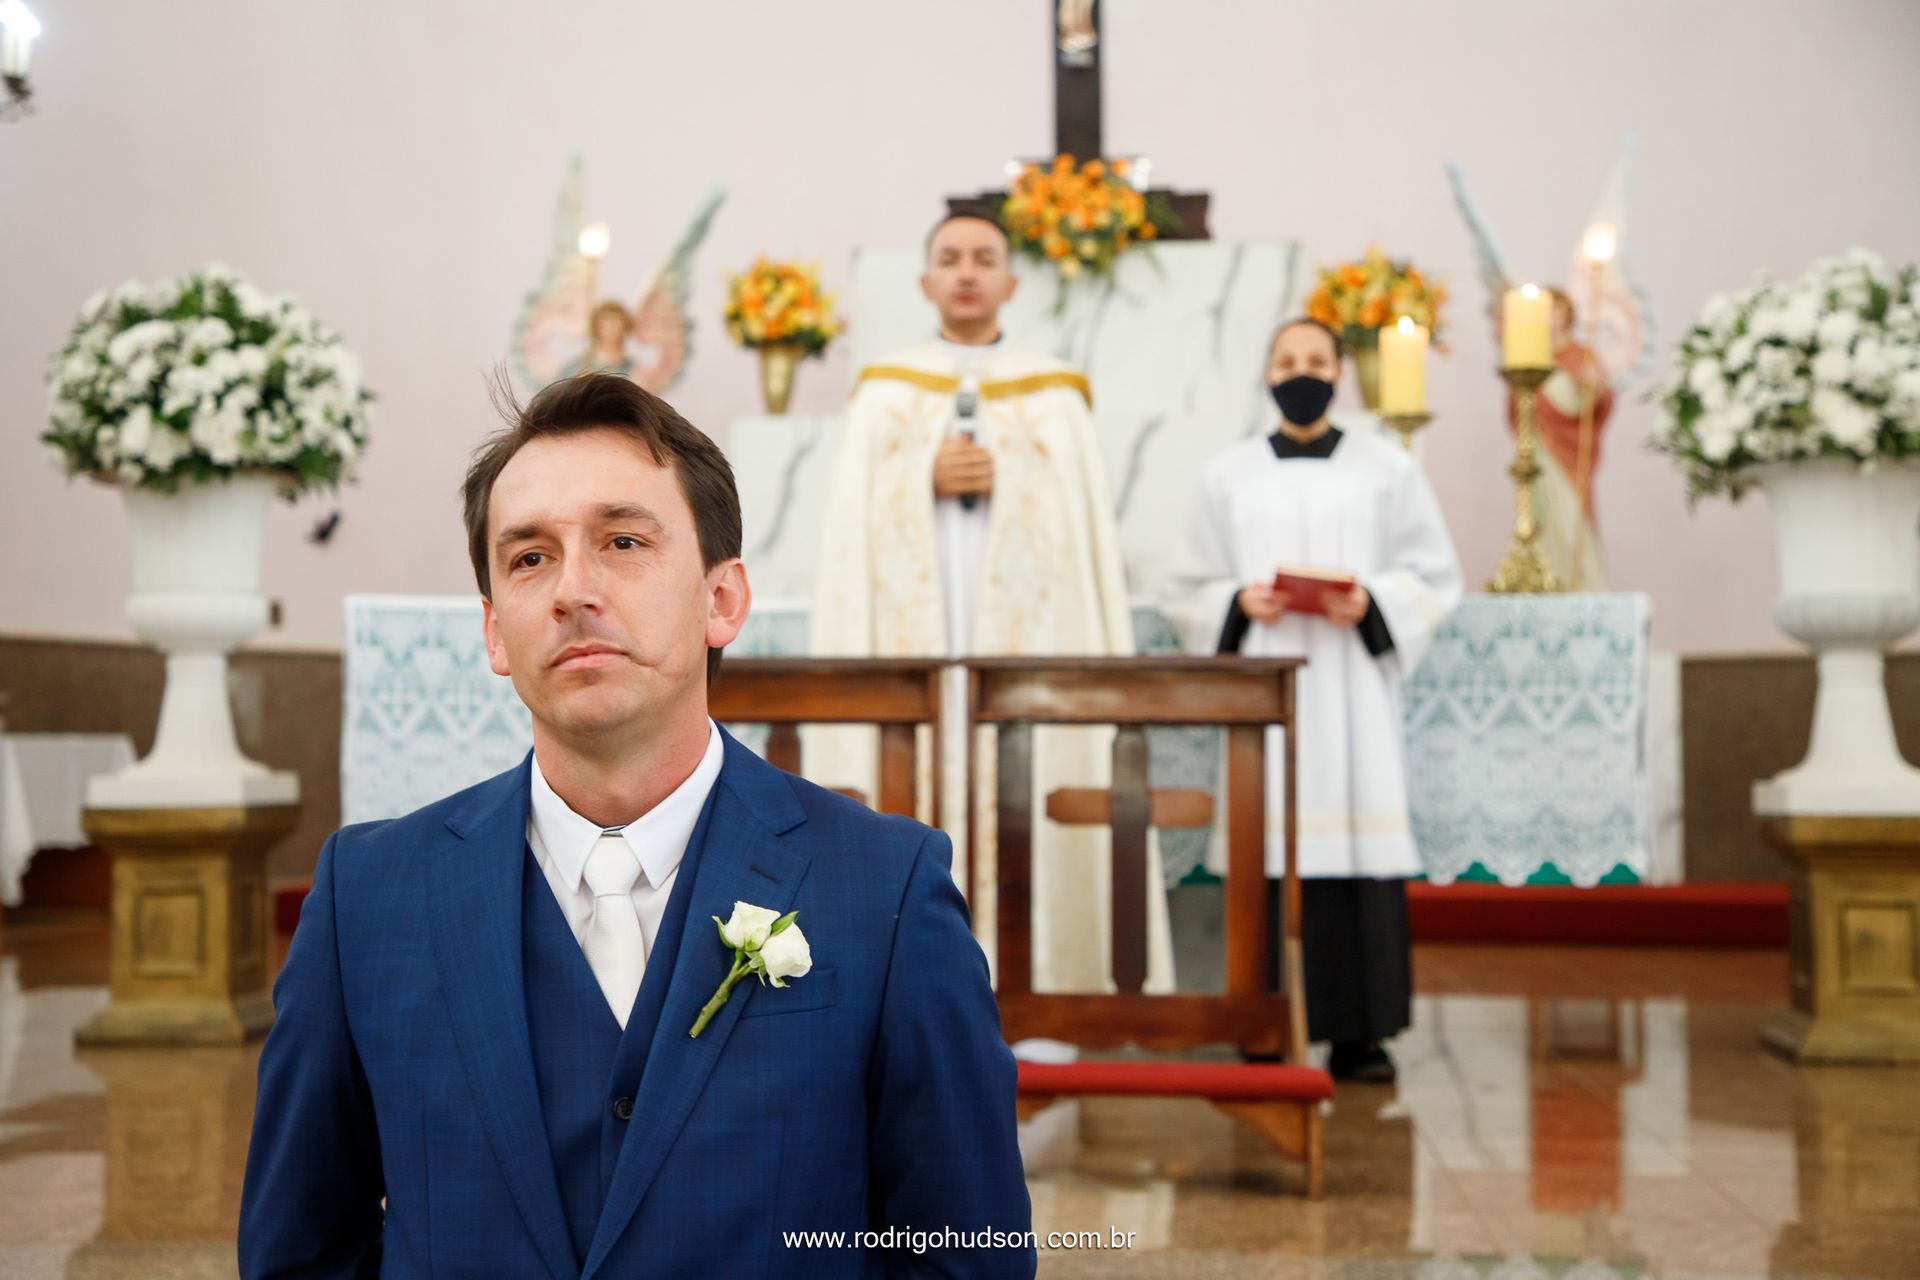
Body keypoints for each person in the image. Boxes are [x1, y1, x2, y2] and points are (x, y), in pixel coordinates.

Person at [240, 373, 1035, 1278]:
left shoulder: (885, 888)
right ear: (496, 633)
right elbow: (299, 1250)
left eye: (623, 541)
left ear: (722, 600)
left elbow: (968, 1255)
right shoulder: (368, 899)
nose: (574, 589)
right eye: (530, 557)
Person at [808, 211, 1174, 1002]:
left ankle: (1041, 992)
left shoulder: (1056, 395)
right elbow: (848, 537)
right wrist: (919, 481)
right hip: (917, 665)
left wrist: (1010, 482)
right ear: (925, 282)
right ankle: (899, 1000)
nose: (966, 271)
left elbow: (1079, 544)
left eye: (983, 258)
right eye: (949, 257)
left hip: (1024, 663)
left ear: (1010, 282)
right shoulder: (882, 392)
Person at [1163, 318, 1462, 1083]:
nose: (1303, 371)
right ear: (1267, 373)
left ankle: (1360, 1035)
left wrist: (1371, 600)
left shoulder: (1385, 468)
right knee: (1262, 851)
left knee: (1357, 858)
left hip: (1352, 688)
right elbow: (1186, 585)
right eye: (1287, 360)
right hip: (1269, 683)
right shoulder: (1229, 474)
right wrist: (1238, 602)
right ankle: (1260, 1023)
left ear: (1339, 373)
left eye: (1317, 360)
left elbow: (1433, 573)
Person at [1506, 288, 1614, 590]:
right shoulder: (1529, 356)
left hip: (1568, 457)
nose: (1549, 316)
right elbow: (1517, 406)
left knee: (1570, 521)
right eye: (1545, 310)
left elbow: (1598, 401)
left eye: (1556, 309)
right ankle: (1541, 581)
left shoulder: (1580, 356)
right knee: (1540, 520)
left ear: (1568, 315)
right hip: (1537, 454)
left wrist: (1592, 388)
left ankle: (1582, 585)